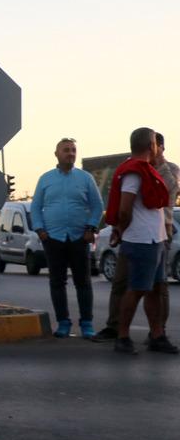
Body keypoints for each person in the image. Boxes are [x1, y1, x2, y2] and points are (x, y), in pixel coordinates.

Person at [94, 131, 179, 344]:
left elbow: (169, 189)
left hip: (156, 238)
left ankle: (157, 334)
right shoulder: (133, 172)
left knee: (156, 288)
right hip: (140, 239)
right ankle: (121, 334)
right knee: (136, 288)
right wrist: (121, 230)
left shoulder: (154, 170)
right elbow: (124, 209)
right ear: (152, 146)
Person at [30, 138, 105, 338]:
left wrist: (91, 228)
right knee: (57, 282)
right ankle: (63, 322)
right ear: (56, 154)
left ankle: (87, 323)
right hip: (53, 238)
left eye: (73, 150)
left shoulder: (85, 178)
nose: (70, 153)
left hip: (79, 238)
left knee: (83, 282)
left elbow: (97, 206)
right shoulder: (46, 179)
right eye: (66, 150)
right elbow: (36, 207)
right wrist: (40, 230)